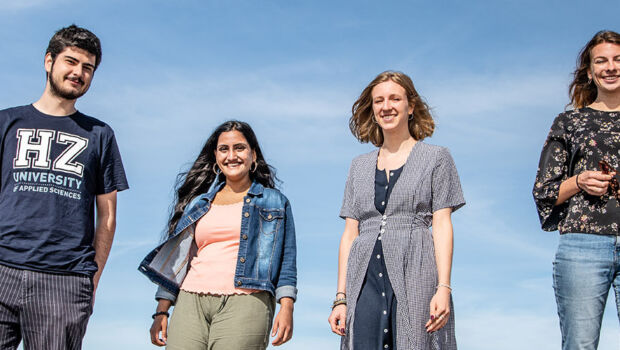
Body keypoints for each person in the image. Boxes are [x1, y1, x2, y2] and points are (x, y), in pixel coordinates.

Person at [0, 25, 129, 349]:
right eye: (71, 61)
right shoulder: (7, 123)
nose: (78, 72)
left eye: (88, 68)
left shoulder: (99, 134)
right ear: (49, 61)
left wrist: (91, 281)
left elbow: (108, 217)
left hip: (65, 281)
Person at [328, 71, 465, 350]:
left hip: (416, 267)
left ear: (410, 106)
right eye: (379, 100)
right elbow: (349, 234)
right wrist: (340, 298)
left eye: (395, 98)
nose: (386, 106)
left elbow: (441, 224)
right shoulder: (358, 166)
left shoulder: (437, 158)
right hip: (363, 276)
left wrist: (443, 287)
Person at [139, 120, 296, 349]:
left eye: (239, 148)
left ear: (253, 155)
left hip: (246, 301)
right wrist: (160, 312)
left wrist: (287, 306)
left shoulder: (274, 201)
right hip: (190, 301)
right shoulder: (199, 204)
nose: (232, 156)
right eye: (224, 149)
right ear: (216, 157)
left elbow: (287, 260)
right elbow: (179, 261)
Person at [533, 30, 620, 350]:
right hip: (583, 245)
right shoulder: (570, 121)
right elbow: (545, 191)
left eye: (617, 59)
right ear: (590, 70)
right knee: (580, 345)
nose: (610, 67)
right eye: (602, 61)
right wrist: (579, 180)